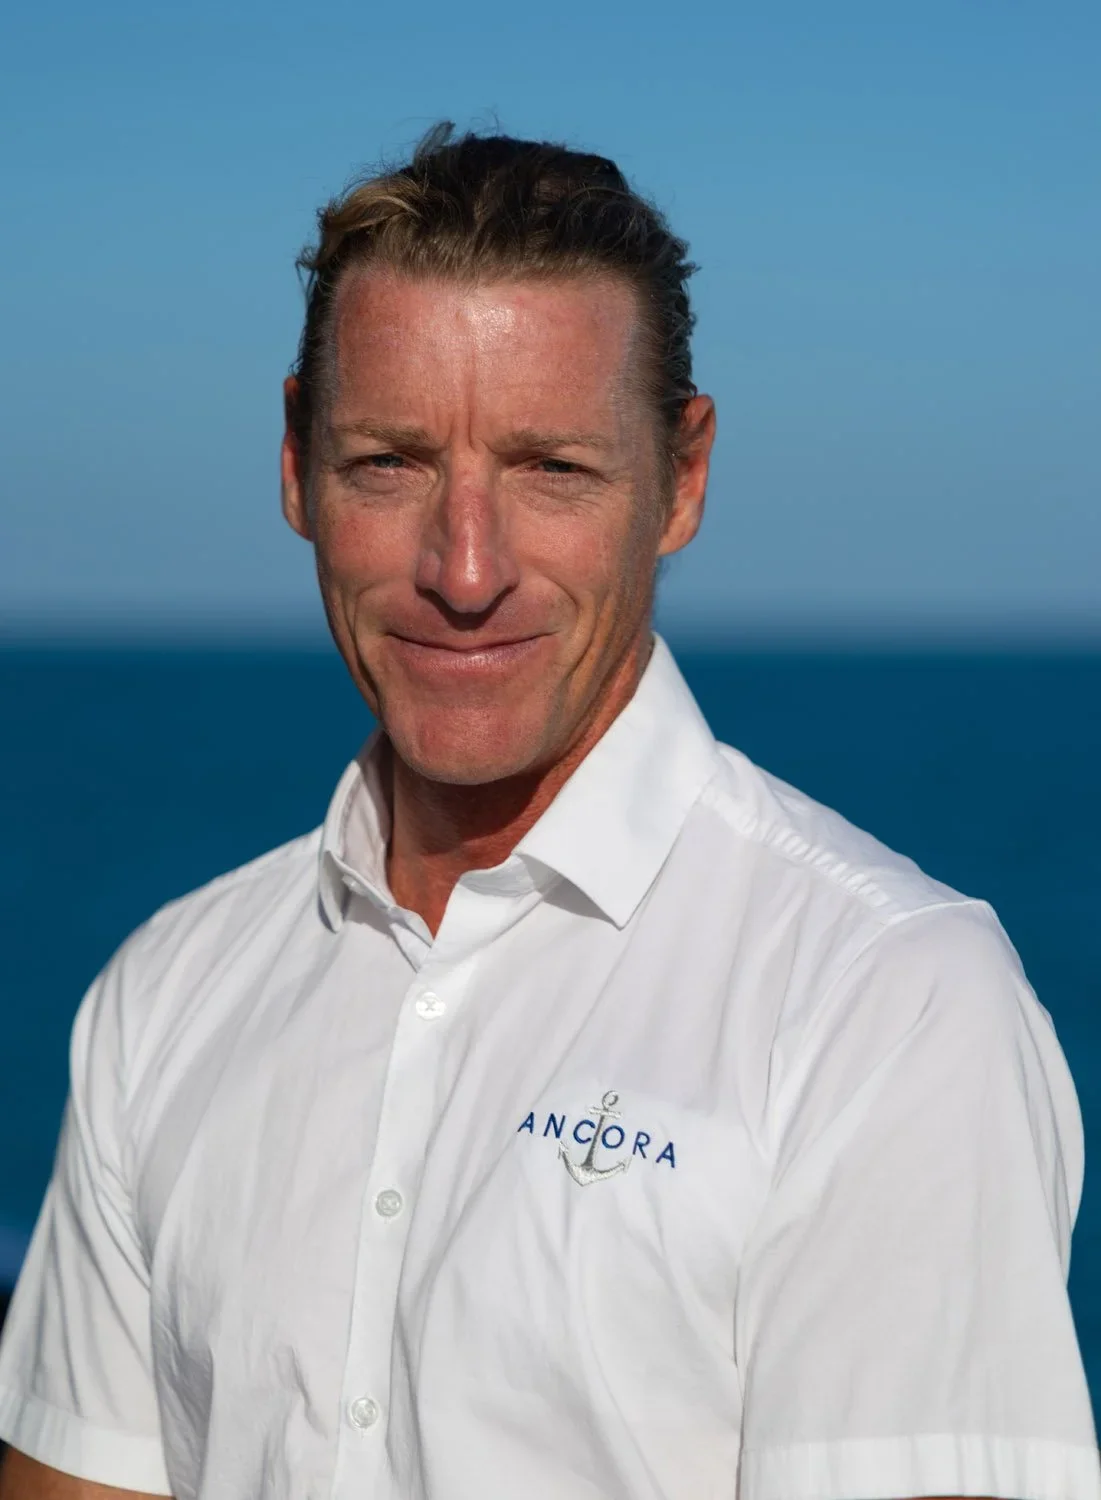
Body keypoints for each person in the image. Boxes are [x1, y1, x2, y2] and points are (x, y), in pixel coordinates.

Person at [0, 123, 1096, 1500]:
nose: (466, 569)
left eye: (552, 471)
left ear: (680, 478)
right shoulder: (164, 995)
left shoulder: (885, 1006)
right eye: (389, 463)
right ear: (293, 465)